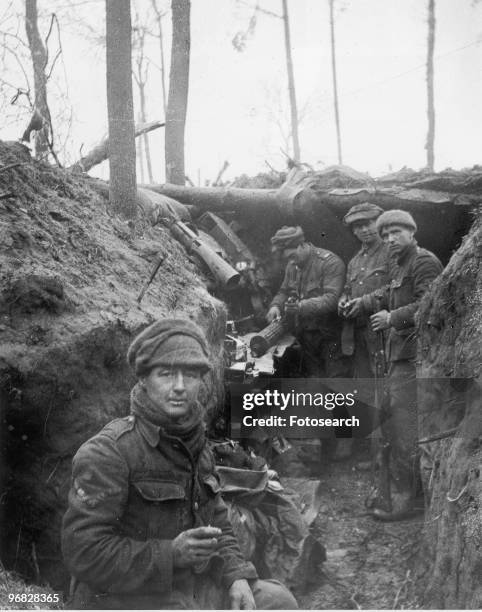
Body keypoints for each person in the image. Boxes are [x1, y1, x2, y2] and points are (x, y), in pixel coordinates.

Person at [61, 318, 298, 609]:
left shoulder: (196, 444)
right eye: (166, 374)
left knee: (278, 602)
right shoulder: (109, 452)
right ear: (144, 380)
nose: (179, 387)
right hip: (125, 596)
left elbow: (217, 519)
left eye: (191, 375)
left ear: (203, 380)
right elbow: (83, 552)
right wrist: (170, 554)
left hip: (189, 587)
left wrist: (235, 574)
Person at [344, 210, 443, 520]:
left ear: (411, 232)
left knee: (404, 429)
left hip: (413, 358)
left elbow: (430, 304)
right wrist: (360, 303)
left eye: (396, 232)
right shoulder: (401, 265)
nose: (390, 239)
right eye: (385, 235)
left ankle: (407, 501)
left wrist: (392, 318)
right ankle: (393, 494)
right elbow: (387, 293)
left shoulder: (423, 261)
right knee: (392, 427)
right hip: (398, 356)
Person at [336, 203, 390, 460]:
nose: (364, 230)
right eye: (358, 226)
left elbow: (396, 289)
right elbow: (348, 289)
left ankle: (384, 455)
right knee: (366, 390)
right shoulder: (355, 260)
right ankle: (371, 453)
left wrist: (365, 302)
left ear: (378, 223)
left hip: (383, 334)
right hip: (359, 336)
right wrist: (344, 301)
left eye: (368, 223)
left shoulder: (392, 252)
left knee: (385, 390)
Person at [266, 225, 346, 378]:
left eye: (292, 256)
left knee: (336, 383)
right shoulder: (293, 265)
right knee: (315, 382)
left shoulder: (330, 263)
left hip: (329, 336)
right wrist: (275, 306)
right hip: (306, 335)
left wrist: (301, 306)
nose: (291, 262)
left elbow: (331, 299)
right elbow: (284, 291)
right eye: (287, 259)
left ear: (302, 245)